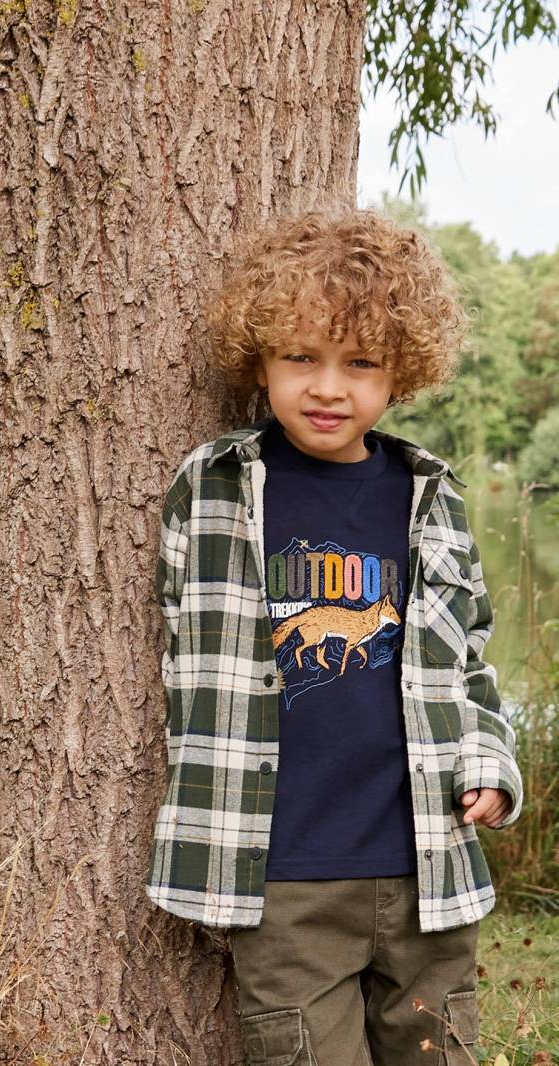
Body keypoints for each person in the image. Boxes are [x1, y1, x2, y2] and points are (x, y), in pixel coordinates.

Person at [146, 207, 522, 1065]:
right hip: (284, 881)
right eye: (300, 358)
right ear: (260, 360)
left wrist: (491, 768)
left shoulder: (429, 496)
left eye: (360, 363)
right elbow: (178, 635)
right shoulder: (215, 486)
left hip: (426, 867)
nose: (328, 388)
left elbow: (468, 659)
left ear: (401, 373)